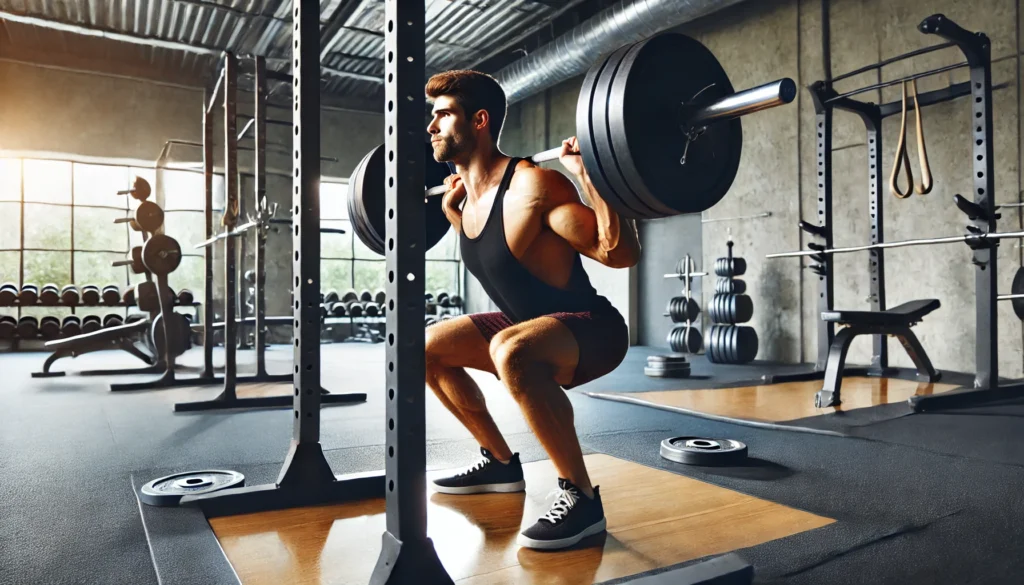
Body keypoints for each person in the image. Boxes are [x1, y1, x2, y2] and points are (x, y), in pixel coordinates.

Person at [424, 69, 640, 551]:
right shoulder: (463, 202)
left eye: (443, 115)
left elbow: (619, 254)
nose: (431, 126)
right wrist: (455, 219)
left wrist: (592, 176)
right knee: (426, 349)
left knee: (510, 348)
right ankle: (500, 464)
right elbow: (502, 262)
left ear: (479, 121)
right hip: (524, 328)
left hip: (592, 330)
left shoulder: (533, 187)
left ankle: (582, 500)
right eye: (431, 116)